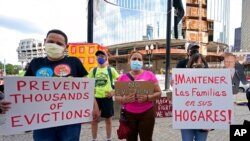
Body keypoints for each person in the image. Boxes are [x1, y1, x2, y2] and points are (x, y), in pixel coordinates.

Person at [2, 29, 100, 141]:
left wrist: (94, 105)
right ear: (45, 41)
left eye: (59, 44)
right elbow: (23, 90)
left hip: (70, 121)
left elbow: (86, 86)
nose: (54, 45)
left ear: (65, 47)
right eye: (51, 41)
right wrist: (7, 102)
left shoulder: (74, 62)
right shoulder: (35, 63)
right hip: (41, 122)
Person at [115, 50, 162, 141]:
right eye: (134, 59)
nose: (137, 61)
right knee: (131, 139)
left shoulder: (150, 75)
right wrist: (124, 99)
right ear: (129, 61)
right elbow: (117, 97)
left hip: (147, 113)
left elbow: (159, 93)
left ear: (142, 62)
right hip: (129, 115)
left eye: (139, 59)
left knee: (147, 139)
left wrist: (147, 97)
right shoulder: (122, 78)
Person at [87, 50, 119, 141]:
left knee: (108, 120)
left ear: (106, 58)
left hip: (107, 98)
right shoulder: (93, 70)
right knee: (94, 120)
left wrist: (114, 91)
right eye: (98, 56)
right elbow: (87, 83)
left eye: (102, 55)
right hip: (95, 99)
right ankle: (94, 139)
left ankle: (109, 138)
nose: (100, 57)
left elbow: (121, 81)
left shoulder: (111, 70)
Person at [180, 53, 211, 141]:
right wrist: (175, 87)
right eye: (195, 63)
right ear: (190, 65)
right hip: (186, 120)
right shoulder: (182, 79)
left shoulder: (211, 82)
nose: (198, 65)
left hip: (203, 121)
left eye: (201, 63)